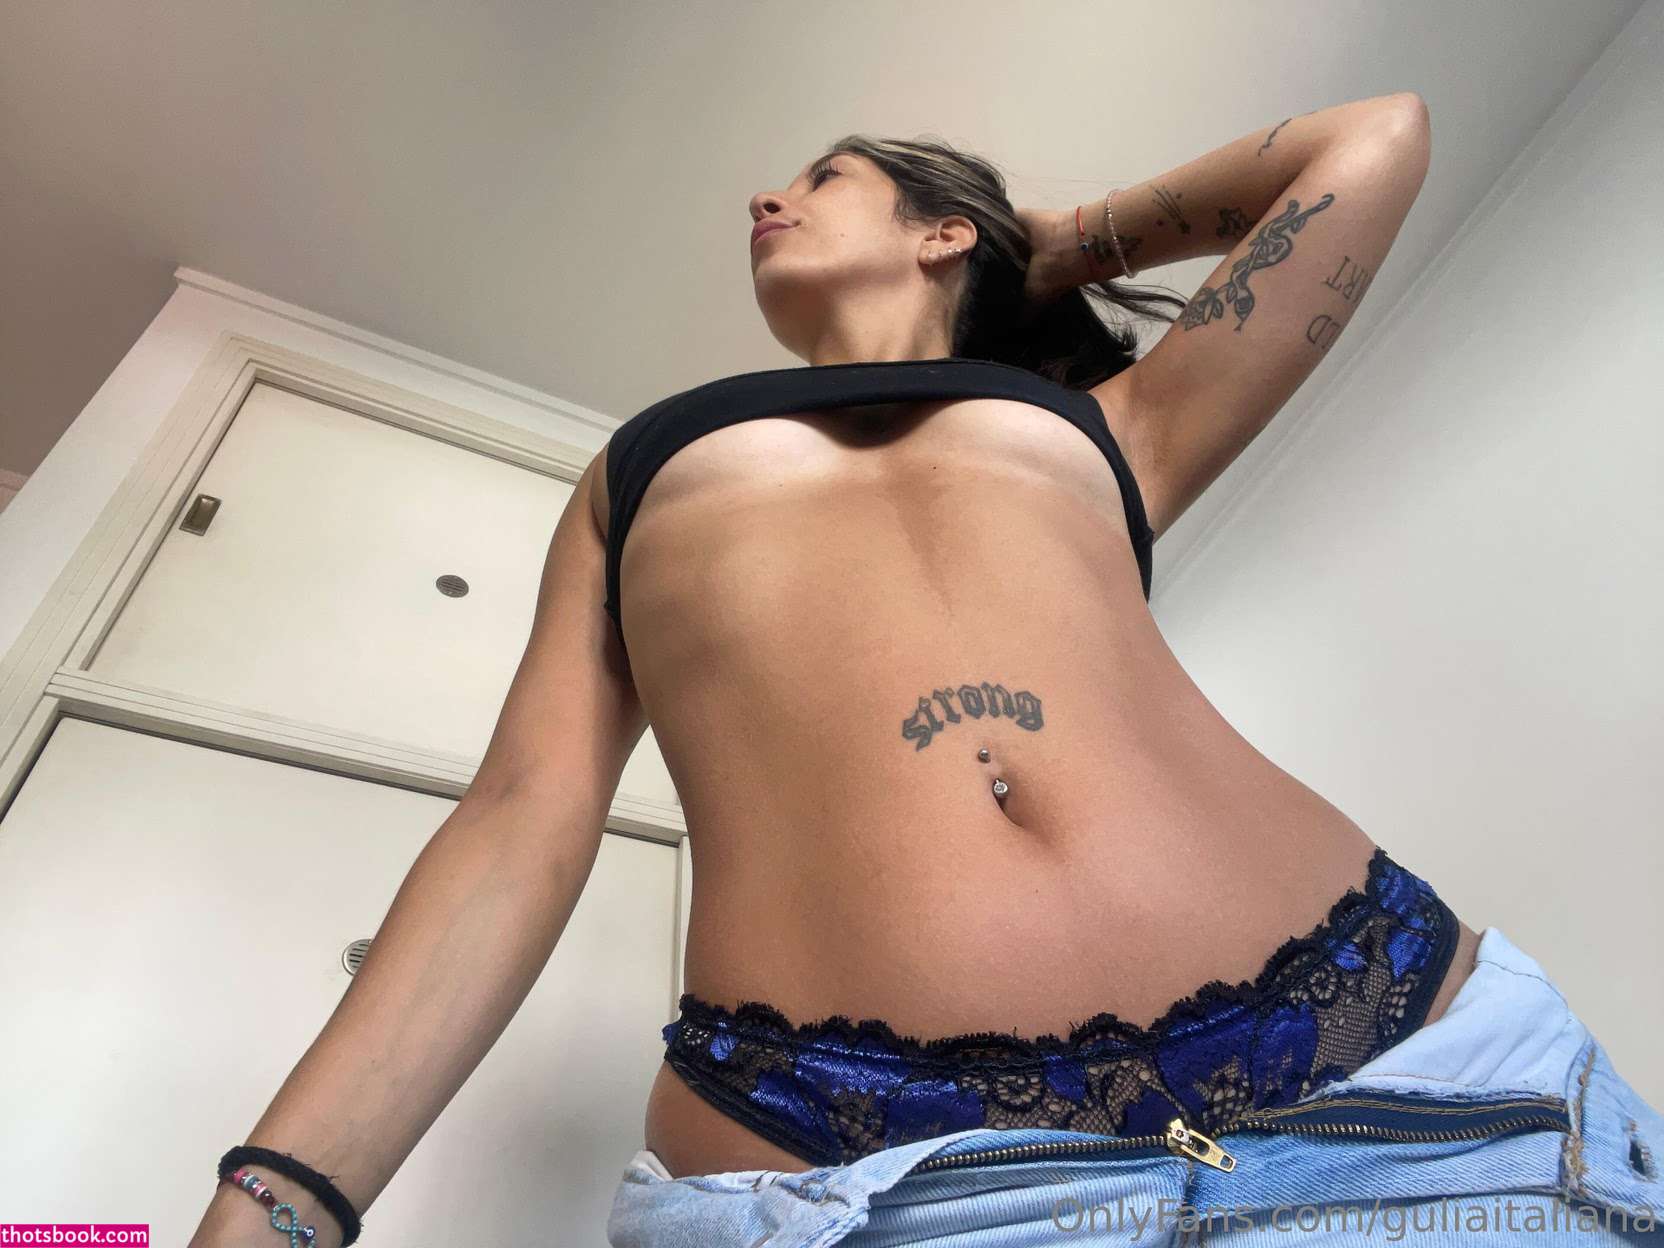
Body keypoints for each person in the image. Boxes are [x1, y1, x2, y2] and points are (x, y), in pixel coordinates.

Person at [192, 93, 1661, 1248]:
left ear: (944, 232)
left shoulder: (1115, 427)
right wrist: (281, 1196)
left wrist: (1045, 241)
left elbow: (1375, 139)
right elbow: (524, 814)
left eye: (823, 177)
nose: (765, 199)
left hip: (1397, 1078)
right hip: (865, 1172)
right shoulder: (638, 466)